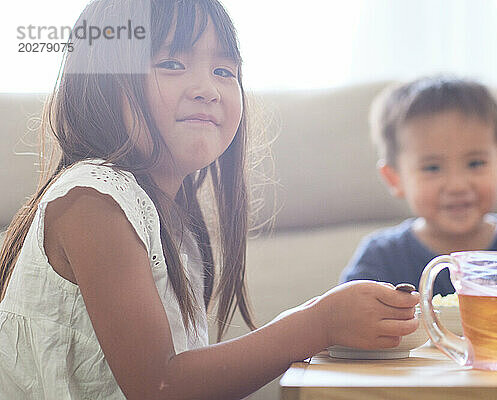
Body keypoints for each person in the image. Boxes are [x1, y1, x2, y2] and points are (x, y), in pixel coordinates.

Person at [0, 1, 419, 399]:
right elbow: (159, 387)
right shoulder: (94, 201)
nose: (207, 89)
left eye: (223, 70)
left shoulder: (172, 215)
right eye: (171, 64)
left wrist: (318, 314)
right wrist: (317, 324)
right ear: (100, 82)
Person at [340, 76, 497, 295]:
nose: (457, 185)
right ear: (395, 179)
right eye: (432, 168)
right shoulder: (381, 257)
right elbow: (347, 324)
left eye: (475, 163)